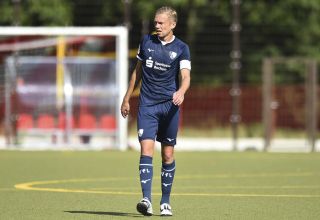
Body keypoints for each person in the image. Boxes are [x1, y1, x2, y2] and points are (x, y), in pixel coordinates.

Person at [121, 6, 191, 217]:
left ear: (172, 24)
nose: (157, 26)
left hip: (169, 106)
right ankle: (146, 200)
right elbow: (137, 72)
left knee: (168, 154)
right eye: (156, 22)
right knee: (146, 150)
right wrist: (126, 98)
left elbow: (186, 76)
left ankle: (165, 202)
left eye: (161, 23)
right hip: (148, 105)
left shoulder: (181, 48)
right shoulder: (146, 42)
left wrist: (181, 91)